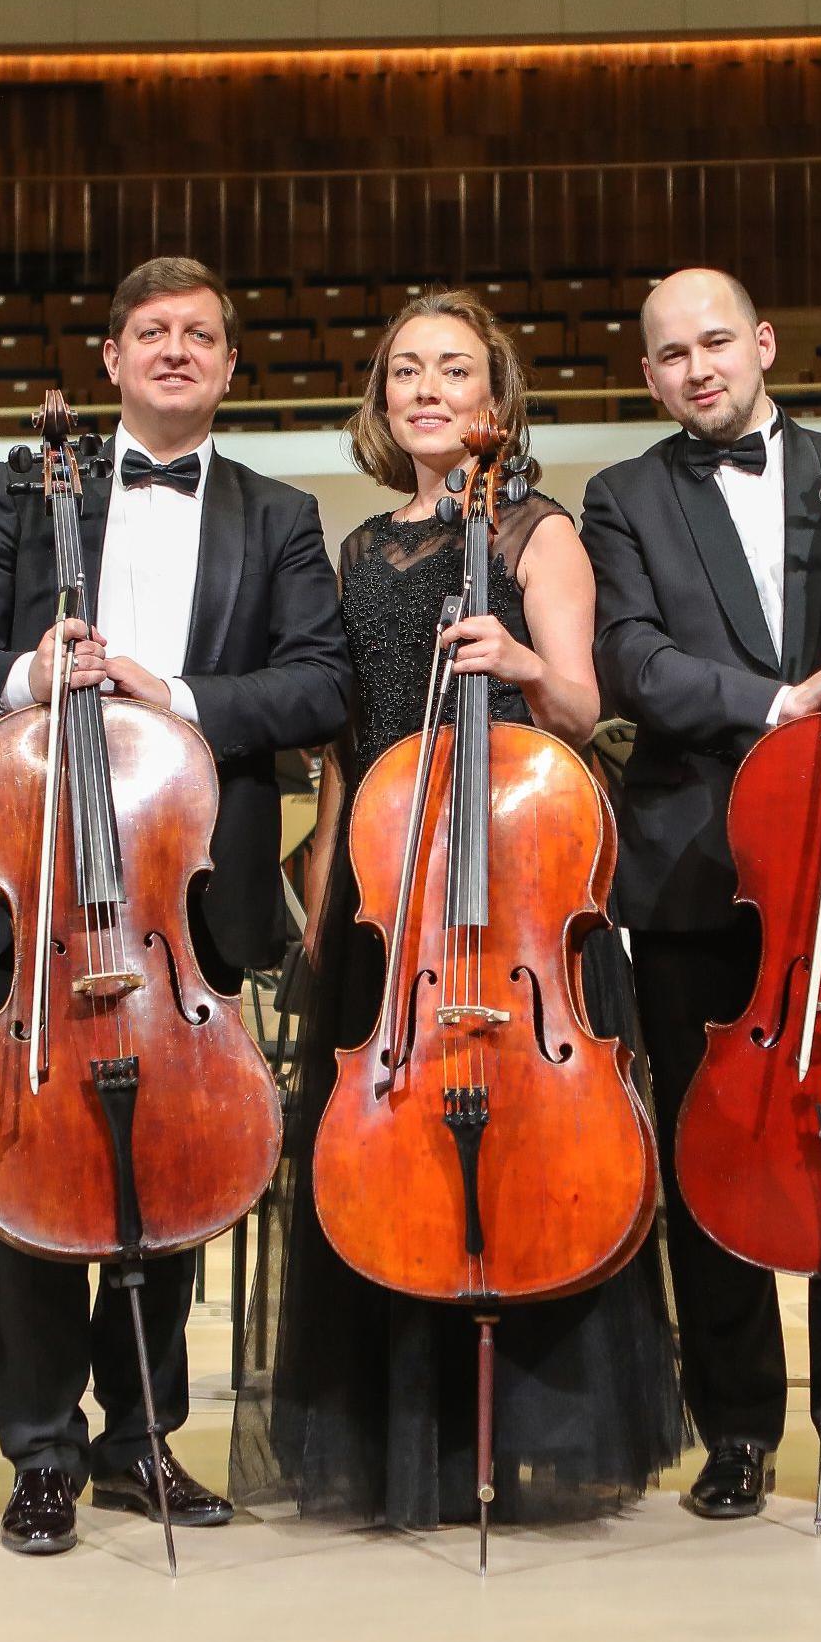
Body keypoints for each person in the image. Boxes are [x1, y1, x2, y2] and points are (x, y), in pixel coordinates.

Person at [0, 255, 351, 1555]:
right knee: (40, 1176)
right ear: (109, 359)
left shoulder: (277, 515)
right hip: (42, 884)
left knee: (177, 1177)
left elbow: (318, 681)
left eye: (198, 334)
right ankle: (39, 1450)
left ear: (227, 366)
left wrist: (183, 698)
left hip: (187, 891)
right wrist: (21, 665)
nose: (172, 349)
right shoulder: (26, 486)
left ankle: (137, 1436)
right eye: (148, 330)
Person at [232, 288, 684, 1529]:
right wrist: (327, 879)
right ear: (382, 401)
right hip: (394, 896)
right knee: (381, 1154)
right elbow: (345, 736)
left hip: (516, 892)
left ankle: (527, 1425)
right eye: (406, 371)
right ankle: (401, 1438)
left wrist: (526, 664)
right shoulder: (359, 549)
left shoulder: (539, 532)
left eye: (455, 370)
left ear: (496, 399)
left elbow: (587, 711)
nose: (428, 389)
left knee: (537, 1149)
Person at [582, 266, 821, 1530]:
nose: (697, 369)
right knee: (723, 1154)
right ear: (649, 377)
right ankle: (738, 1428)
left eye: (715, 344)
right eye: (670, 354)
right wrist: (776, 704)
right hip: (699, 867)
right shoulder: (622, 495)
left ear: (764, 341)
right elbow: (628, 657)